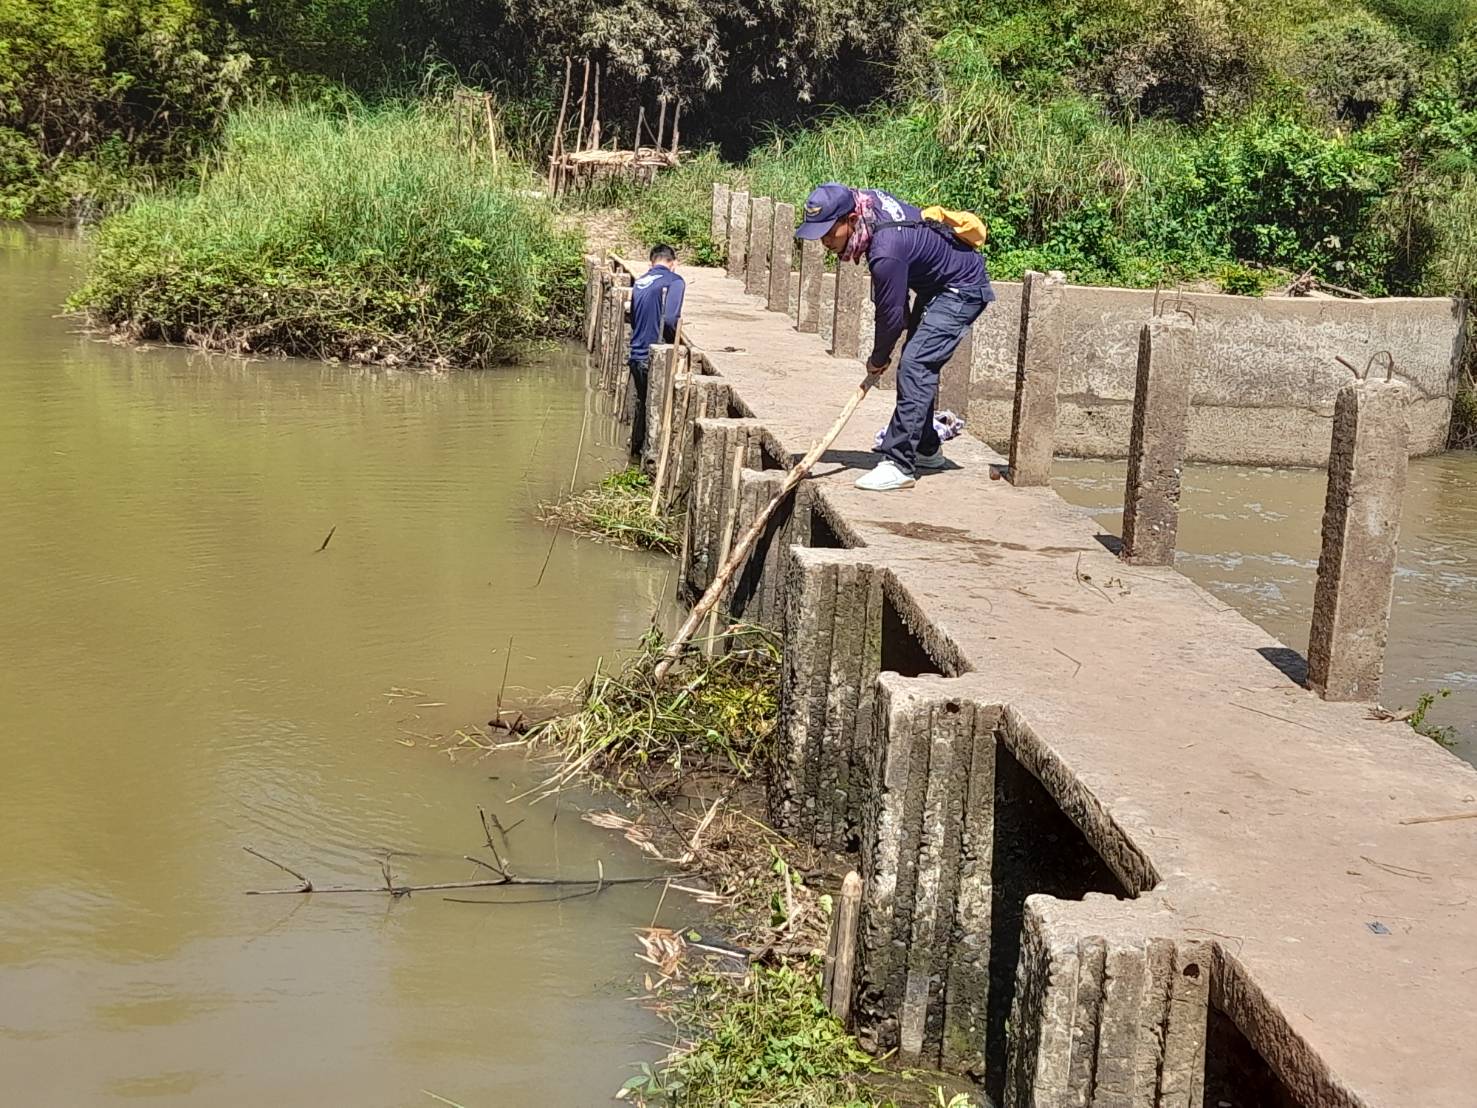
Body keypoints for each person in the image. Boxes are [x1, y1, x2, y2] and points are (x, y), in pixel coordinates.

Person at [795, 183, 994, 491]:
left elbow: (892, 318)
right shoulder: (866, 207)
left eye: (827, 232)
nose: (823, 242)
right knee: (918, 363)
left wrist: (878, 358)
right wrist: (882, 353)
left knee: (916, 364)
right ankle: (926, 448)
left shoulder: (885, 250)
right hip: (937, 285)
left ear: (850, 219)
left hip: (961, 289)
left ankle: (899, 463)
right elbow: (895, 308)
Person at [626, 243, 685, 457]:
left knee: (643, 404)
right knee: (656, 409)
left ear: (651, 263)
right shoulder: (675, 281)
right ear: (674, 263)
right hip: (654, 356)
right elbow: (670, 319)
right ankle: (652, 460)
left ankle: (635, 454)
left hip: (635, 354)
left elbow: (633, 318)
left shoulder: (640, 282)